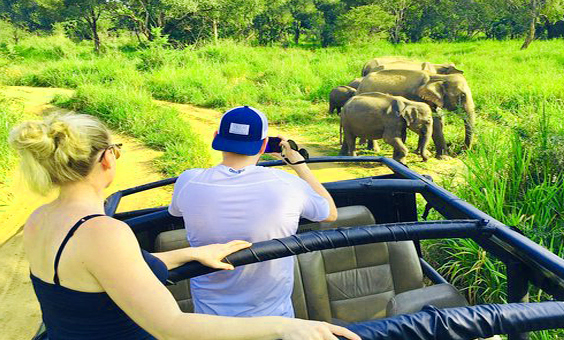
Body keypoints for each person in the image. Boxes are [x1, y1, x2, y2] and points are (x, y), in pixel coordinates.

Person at [10, 111, 356, 340]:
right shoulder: (103, 232)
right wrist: (288, 327)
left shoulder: (40, 219)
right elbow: (171, 327)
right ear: (106, 159)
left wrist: (192, 252)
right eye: (116, 149)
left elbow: (99, 277)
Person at [169, 106, 337, 317]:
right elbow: (330, 213)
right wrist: (299, 165)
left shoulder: (188, 180)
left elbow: (175, 212)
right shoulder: (287, 184)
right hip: (274, 323)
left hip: (210, 324)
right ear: (264, 145)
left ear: (215, 137)